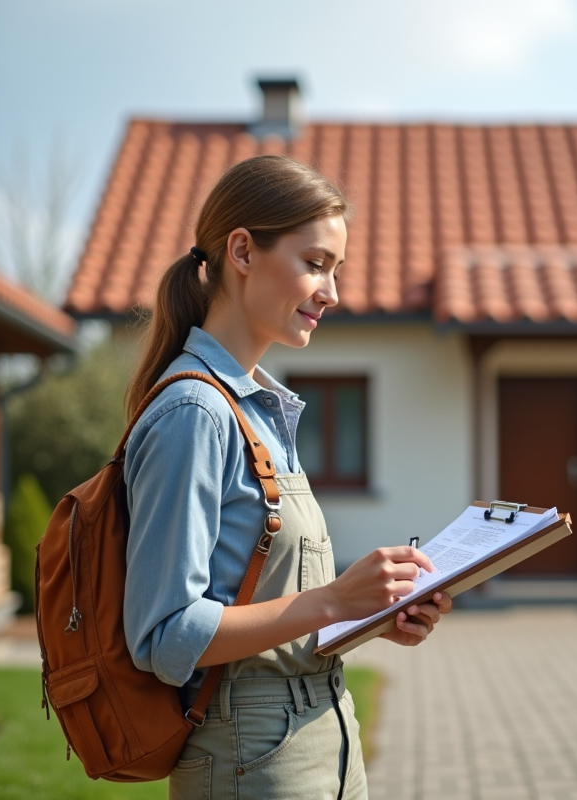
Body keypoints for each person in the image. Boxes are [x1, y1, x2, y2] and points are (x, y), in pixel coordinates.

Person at [121, 155, 450, 800]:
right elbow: (162, 636)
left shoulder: (257, 410)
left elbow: (261, 604)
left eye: (336, 270)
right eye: (316, 263)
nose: (332, 292)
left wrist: (369, 614)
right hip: (253, 755)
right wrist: (332, 599)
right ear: (242, 251)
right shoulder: (195, 413)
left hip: (320, 733)